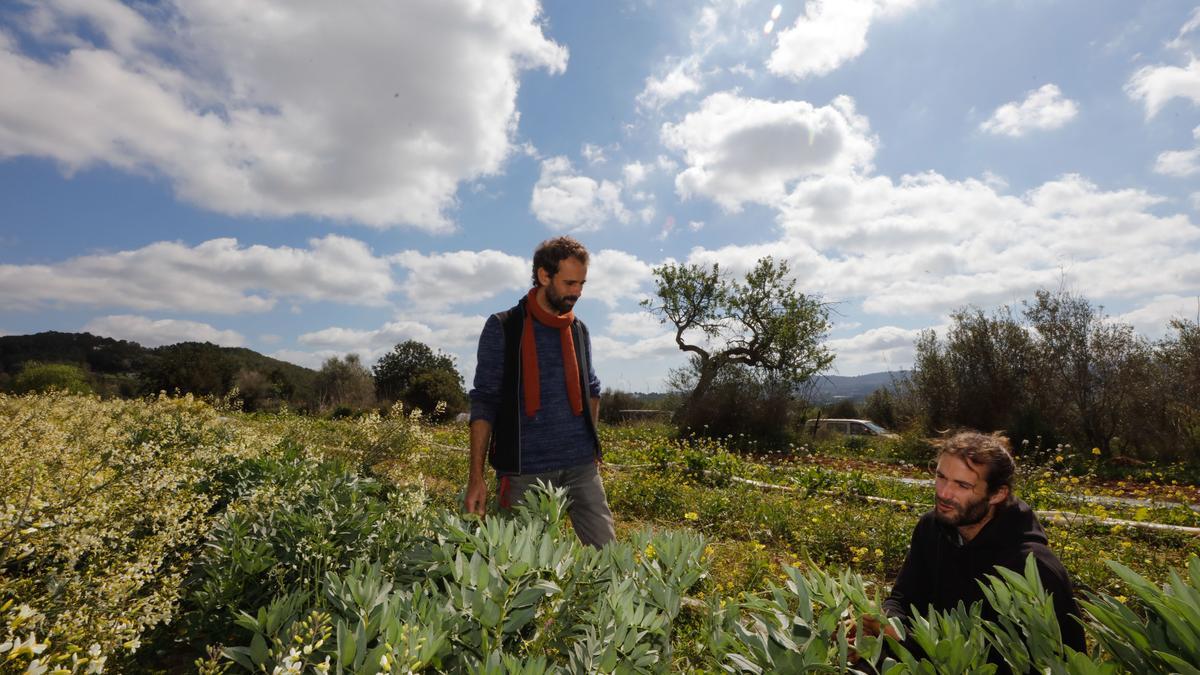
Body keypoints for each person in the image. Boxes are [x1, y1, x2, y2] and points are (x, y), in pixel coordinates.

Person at [850, 431, 1086, 663]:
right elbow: (903, 598)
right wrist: (880, 625)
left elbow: (1004, 663)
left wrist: (900, 641)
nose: (943, 493)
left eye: (962, 485)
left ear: (997, 494)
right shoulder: (932, 528)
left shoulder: (1031, 566)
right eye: (941, 477)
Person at [463, 236, 615, 547]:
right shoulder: (503, 327)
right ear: (544, 276)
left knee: (609, 560)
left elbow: (592, 389)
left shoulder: (579, 329)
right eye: (570, 283)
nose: (578, 292)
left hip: (581, 468)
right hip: (523, 474)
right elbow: (484, 403)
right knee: (520, 574)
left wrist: (591, 443)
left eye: (582, 284)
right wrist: (475, 478)